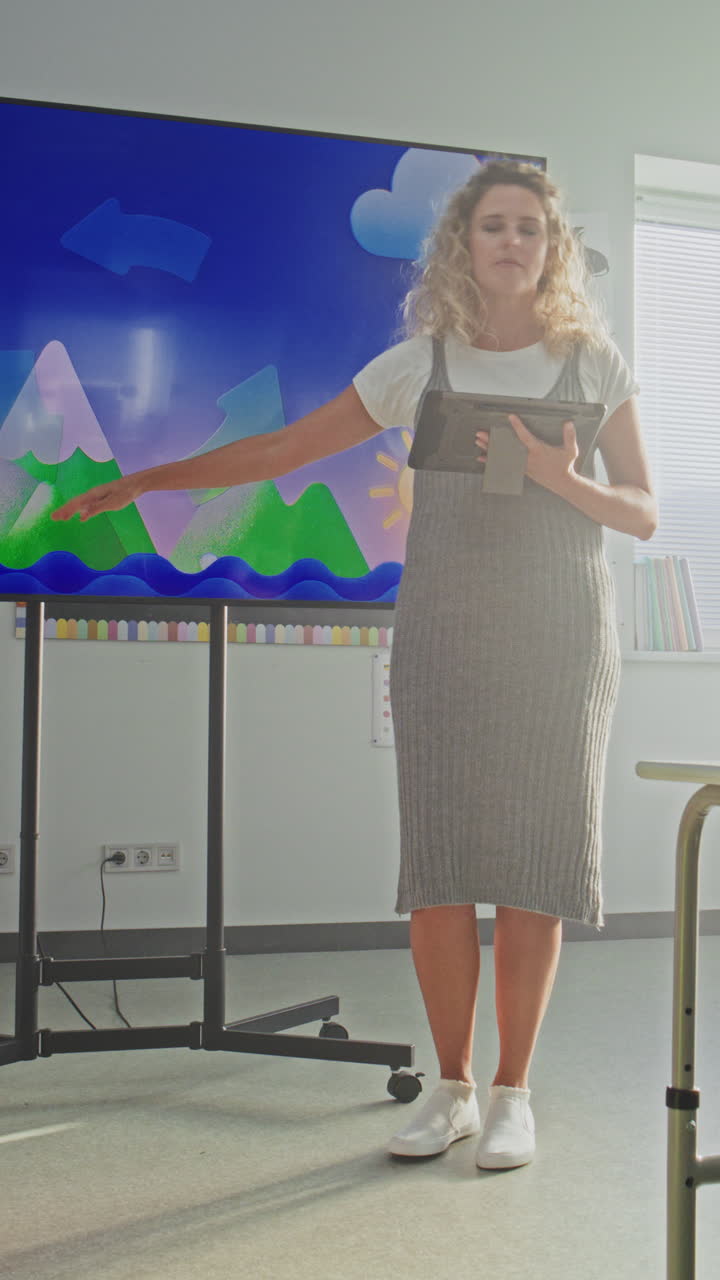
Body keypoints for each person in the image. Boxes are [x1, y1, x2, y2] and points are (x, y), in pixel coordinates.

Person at [54, 161, 657, 1171]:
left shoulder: (593, 364)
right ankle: (452, 1088)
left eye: (531, 227)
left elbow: (641, 509)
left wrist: (565, 480)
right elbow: (281, 452)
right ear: (464, 242)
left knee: (538, 864)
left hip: (561, 638)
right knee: (441, 864)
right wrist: (145, 480)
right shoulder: (417, 364)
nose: (513, 241)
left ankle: (514, 1093)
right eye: (495, 225)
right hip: (444, 635)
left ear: (552, 248)